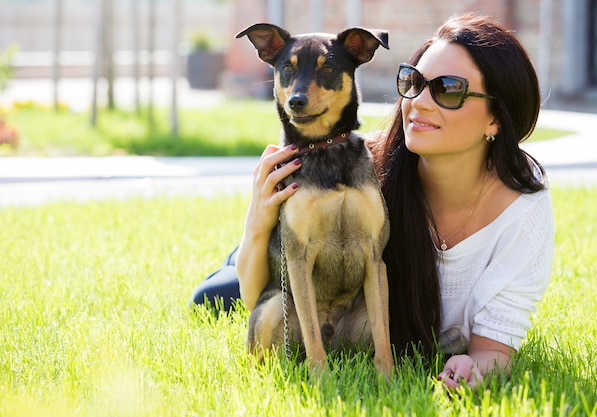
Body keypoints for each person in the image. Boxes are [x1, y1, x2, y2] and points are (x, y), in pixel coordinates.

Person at [190, 13, 554, 390]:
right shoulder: (371, 160)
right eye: (413, 82)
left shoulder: (522, 214)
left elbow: (496, 348)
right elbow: (262, 296)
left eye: (447, 88)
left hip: (345, 276)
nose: (421, 104)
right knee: (210, 297)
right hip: (292, 251)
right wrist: (257, 223)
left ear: (495, 118)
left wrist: (472, 367)